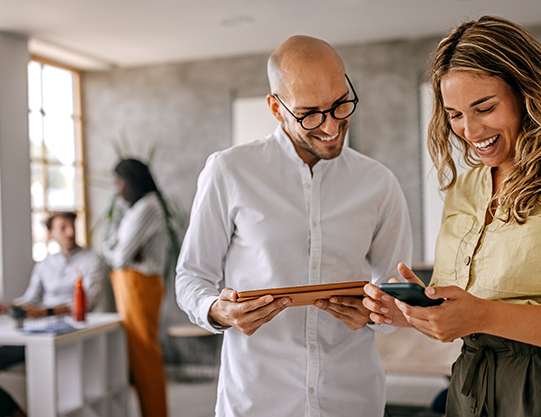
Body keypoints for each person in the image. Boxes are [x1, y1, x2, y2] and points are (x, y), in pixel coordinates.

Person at [364, 15, 541, 417]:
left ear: (528, 94)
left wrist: (483, 314)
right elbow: (462, 307)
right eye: (454, 114)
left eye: (484, 107)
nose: (468, 129)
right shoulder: (465, 189)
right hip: (471, 390)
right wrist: (413, 314)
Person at [175, 35, 413, 416]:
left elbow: (396, 291)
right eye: (310, 113)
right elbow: (191, 277)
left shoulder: (379, 183)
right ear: (276, 107)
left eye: (340, 105)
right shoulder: (229, 171)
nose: (331, 125)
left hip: (352, 397)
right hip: (257, 399)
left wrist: (378, 313)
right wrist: (219, 311)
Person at [0, 212, 102, 417]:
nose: (70, 232)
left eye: (72, 226)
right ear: (51, 233)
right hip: (38, 335)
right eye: (63, 227)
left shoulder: (91, 259)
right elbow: (29, 300)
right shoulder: (44, 264)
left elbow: (87, 303)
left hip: (71, 336)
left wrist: (46, 312)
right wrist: (4, 307)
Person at [102, 158, 169, 417]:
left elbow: (118, 256)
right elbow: (110, 245)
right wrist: (119, 249)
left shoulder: (147, 207)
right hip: (130, 285)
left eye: (119, 181)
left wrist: (119, 250)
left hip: (139, 286)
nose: (117, 188)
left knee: (145, 356)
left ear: (131, 180)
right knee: (138, 356)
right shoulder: (134, 208)